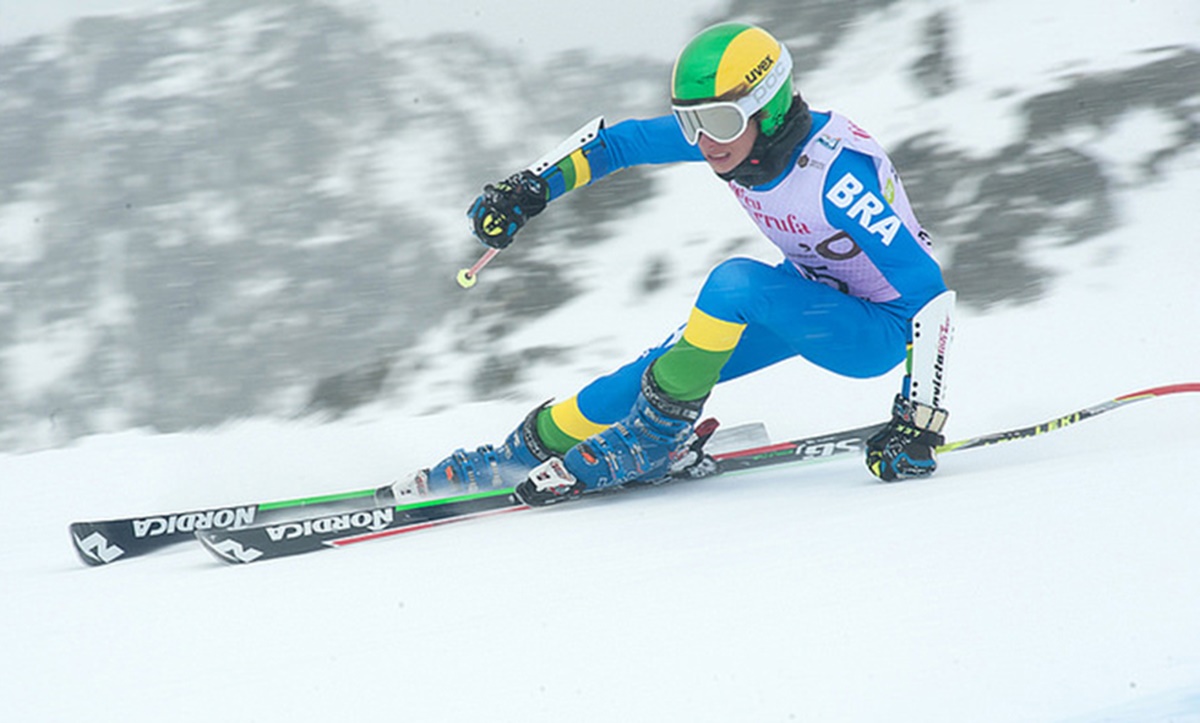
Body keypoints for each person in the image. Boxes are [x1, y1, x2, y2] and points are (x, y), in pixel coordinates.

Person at [391, 22, 954, 506]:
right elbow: (619, 144)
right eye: (691, 122)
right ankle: (522, 452)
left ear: (770, 106)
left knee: (733, 284)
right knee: (650, 379)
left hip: (877, 329)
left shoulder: (836, 177)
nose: (707, 141)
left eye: (721, 120)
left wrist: (919, 424)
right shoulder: (740, 139)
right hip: (807, 294)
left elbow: (927, 291)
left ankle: (656, 440)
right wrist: (533, 186)